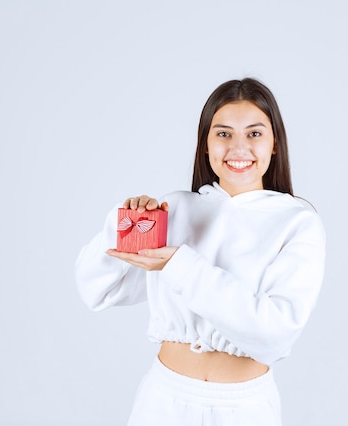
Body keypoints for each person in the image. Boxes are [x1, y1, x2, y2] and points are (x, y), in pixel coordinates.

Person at [75, 78, 326, 425]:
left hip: (245, 409)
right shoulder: (175, 209)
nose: (238, 148)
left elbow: (274, 336)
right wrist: (125, 222)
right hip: (163, 401)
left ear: (274, 145)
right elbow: (97, 289)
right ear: (205, 145)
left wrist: (181, 265)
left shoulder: (297, 221)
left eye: (254, 134)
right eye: (223, 134)